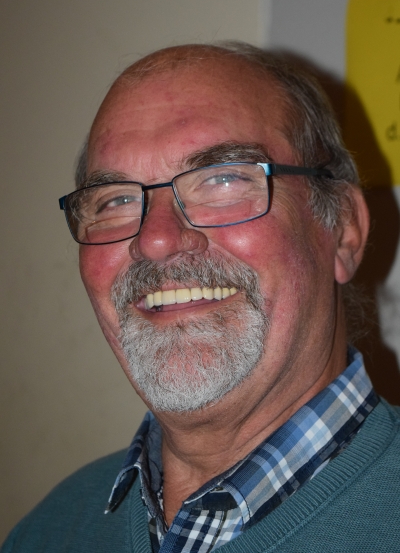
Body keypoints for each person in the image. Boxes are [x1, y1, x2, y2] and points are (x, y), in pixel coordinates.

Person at [2, 43, 399, 552]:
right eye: (116, 199)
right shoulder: (48, 531)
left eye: (223, 179)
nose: (156, 240)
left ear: (343, 230)